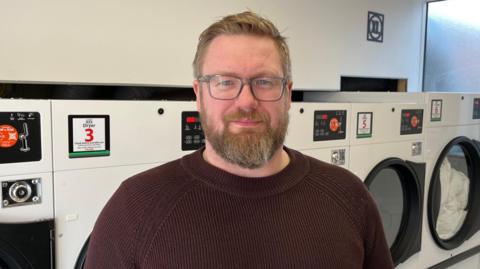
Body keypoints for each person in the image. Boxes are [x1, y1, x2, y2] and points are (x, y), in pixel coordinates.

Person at [85, 11, 394, 268]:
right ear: (199, 94)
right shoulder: (135, 207)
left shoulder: (349, 196)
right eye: (225, 82)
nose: (246, 101)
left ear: (287, 94)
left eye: (264, 82)